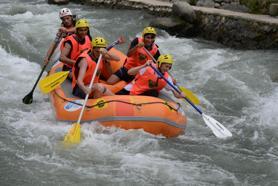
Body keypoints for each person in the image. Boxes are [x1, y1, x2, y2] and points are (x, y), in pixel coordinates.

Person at [117, 54, 185, 98]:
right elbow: (129, 72)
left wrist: (181, 95)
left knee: (154, 93)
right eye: (166, 66)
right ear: (159, 64)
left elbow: (175, 93)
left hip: (143, 96)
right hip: (131, 89)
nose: (167, 69)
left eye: (169, 67)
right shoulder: (148, 68)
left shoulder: (167, 78)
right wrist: (144, 65)